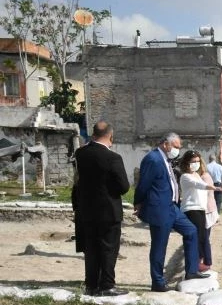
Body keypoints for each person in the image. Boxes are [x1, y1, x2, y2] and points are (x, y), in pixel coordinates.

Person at [133, 132, 209, 292]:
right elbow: (143, 183)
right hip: (159, 209)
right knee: (159, 246)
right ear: (165, 144)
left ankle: (191, 271)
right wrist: (138, 203)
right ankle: (158, 282)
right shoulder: (153, 159)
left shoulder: (166, 159)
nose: (177, 150)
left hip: (172, 207)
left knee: (191, 231)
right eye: (175, 146)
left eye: (179, 147)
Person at [73, 121, 130, 296]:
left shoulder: (80, 153)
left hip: (86, 210)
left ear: (94, 134)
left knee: (91, 249)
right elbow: (124, 186)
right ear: (110, 136)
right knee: (108, 249)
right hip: (108, 211)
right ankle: (107, 285)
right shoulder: (113, 158)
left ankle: (91, 284)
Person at [178, 150, 222, 272]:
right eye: (193, 162)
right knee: (197, 238)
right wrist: (212, 187)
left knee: (202, 237)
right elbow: (198, 185)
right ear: (187, 163)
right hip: (192, 209)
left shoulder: (197, 175)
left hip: (201, 209)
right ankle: (195, 265)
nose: (196, 164)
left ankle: (199, 262)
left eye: (198, 161)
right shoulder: (185, 176)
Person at [199, 155, 220, 270]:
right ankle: (203, 259)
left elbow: (205, 193)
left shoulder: (204, 177)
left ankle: (206, 262)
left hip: (207, 210)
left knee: (204, 237)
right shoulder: (205, 175)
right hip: (208, 208)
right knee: (204, 236)